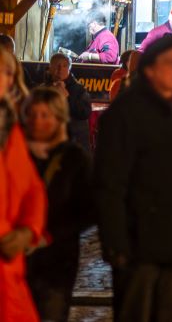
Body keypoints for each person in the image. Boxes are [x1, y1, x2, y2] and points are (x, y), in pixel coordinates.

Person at [94, 35, 172, 321]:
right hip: (139, 243)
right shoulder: (125, 115)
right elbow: (110, 185)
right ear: (150, 70)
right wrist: (116, 243)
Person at [24, 87, 93, 322]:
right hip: (18, 260)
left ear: (58, 118)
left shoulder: (74, 157)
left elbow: (88, 209)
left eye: (45, 115)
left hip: (56, 262)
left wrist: (52, 233)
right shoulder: (17, 154)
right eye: (33, 115)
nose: (38, 122)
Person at [0, 48, 47, 322]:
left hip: (8, 266)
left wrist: (28, 230)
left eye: (9, 72)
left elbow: (32, 188)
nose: (4, 79)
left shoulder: (12, 129)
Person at [42, 52, 92, 151]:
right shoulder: (43, 89)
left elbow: (84, 113)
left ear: (69, 68)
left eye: (64, 66)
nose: (60, 69)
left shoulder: (79, 89)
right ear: (50, 67)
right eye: (57, 65)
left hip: (74, 143)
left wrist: (67, 98)